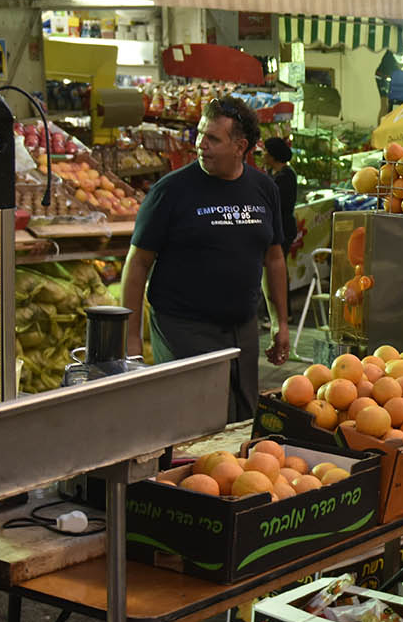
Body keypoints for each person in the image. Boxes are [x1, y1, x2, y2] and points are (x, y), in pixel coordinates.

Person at [122, 96, 289, 422]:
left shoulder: (264, 189)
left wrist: (281, 323)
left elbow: (275, 258)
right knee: (194, 422)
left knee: (243, 419)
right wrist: (131, 339)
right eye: (200, 134)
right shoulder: (170, 191)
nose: (201, 145)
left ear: (240, 146)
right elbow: (138, 262)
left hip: (242, 328)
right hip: (183, 328)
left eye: (213, 138)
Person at [262, 136, 299, 252]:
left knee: (279, 262)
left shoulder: (287, 176)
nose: (262, 154)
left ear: (273, 155)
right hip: (271, 226)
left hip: (283, 228)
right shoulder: (270, 172)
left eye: (265, 151)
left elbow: (281, 203)